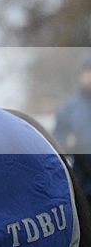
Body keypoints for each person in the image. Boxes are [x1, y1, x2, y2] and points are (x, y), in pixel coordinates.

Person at [53, 56, 91, 205]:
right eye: (87, 72)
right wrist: (69, 145)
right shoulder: (69, 108)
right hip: (83, 185)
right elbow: (57, 145)